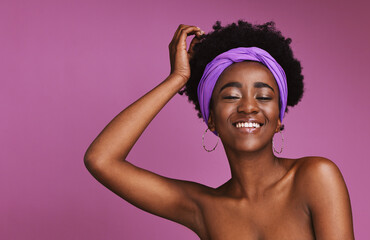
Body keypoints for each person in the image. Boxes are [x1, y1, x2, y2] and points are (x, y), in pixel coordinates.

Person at [84, 20, 354, 239]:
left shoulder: (316, 177)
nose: (248, 107)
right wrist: (177, 79)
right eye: (231, 96)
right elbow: (101, 160)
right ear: (211, 119)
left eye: (263, 97)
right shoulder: (203, 208)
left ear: (279, 119)